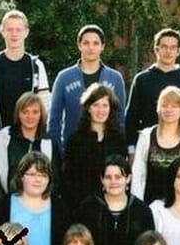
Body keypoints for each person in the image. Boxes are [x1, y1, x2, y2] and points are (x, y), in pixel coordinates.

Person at [0, 152, 68, 245]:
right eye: (32, 174)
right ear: (21, 176)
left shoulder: (60, 208)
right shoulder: (2, 207)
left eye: (43, 175)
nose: (38, 180)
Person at [125, 28, 180, 155]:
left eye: (173, 47)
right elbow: (131, 118)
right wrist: (131, 149)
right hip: (147, 147)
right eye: (164, 47)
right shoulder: (142, 79)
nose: (168, 51)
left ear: (178, 51)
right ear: (156, 49)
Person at [76, 155, 154, 245]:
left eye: (118, 177)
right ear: (102, 179)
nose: (113, 182)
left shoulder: (142, 211)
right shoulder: (88, 208)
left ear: (128, 178)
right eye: (108, 177)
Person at [48, 24, 126, 153]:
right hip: (72, 151)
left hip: (107, 151)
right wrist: (58, 151)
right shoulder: (64, 77)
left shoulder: (115, 78)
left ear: (102, 46)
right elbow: (54, 120)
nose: (91, 47)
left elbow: (120, 118)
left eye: (96, 43)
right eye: (86, 43)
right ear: (79, 45)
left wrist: (119, 150)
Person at [0, 10, 50, 130]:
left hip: (30, 135)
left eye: (18, 30)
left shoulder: (36, 65)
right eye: (10, 29)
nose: (14, 34)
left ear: (26, 32)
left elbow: (45, 103)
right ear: (3, 32)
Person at [131, 86, 180, 203]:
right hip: (150, 205)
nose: (169, 110)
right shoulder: (146, 136)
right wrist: (139, 206)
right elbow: (138, 174)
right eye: (164, 105)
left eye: (174, 106)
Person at [62, 83, 126, 210]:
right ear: (88, 108)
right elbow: (69, 179)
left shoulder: (119, 139)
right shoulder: (75, 140)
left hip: (112, 206)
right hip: (81, 206)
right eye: (95, 105)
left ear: (110, 108)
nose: (100, 110)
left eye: (105, 105)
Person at [0, 93, 61, 201]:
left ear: (41, 114)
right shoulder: (4, 140)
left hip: (41, 204)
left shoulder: (49, 143)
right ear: (18, 114)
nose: (30, 117)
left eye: (35, 112)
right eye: (25, 112)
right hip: (9, 204)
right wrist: (2, 204)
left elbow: (56, 180)